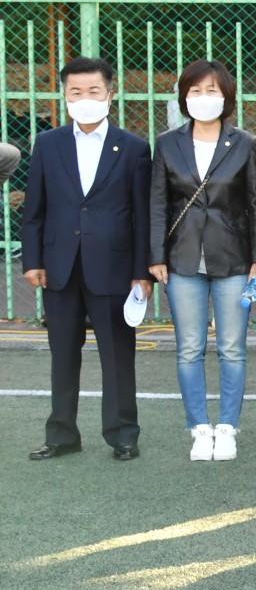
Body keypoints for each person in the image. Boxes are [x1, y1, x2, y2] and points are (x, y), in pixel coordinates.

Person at [20, 57, 152, 462]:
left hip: (113, 268)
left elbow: (142, 216)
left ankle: (122, 434)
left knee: (117, 355)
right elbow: (34, 209)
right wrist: (32, 260)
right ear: (64, 96)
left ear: (110, 94)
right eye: (75, 92)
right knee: (63, 353)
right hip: (58, 267)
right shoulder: (48, 143)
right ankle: (61, 435)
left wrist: (141, 273)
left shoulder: (134, 148)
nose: (85, 99)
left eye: (94, 91)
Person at [147, 60, 256, 461]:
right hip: (181, 259)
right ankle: (199, 428)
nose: (204, 98)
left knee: (232, 348)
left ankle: (227, 427)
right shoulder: (167, 143)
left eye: (213, 91)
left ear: (227, 97)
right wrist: (155, 255)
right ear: (184, 97)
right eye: (196, 91)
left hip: (234, 260)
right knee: (189, 348)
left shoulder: (246, 143)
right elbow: (157, 204)